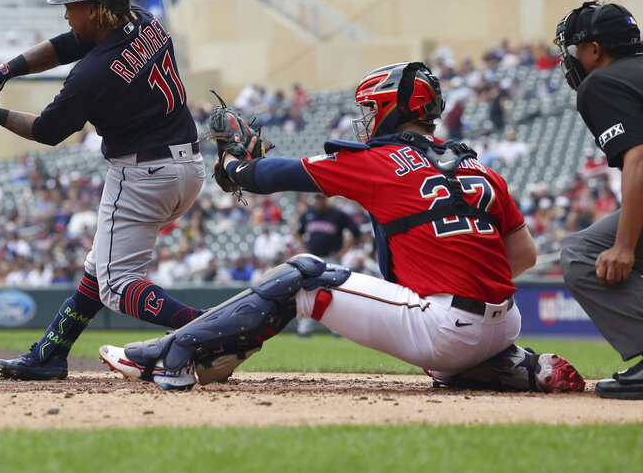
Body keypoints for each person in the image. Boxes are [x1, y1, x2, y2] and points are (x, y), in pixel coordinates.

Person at [99, 62, 584, 393]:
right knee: (448, 349)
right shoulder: (480, 169)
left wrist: (231, 167)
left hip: (444, 327)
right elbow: (523, 256)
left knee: (303, 276)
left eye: (372, 110)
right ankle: (515, 365)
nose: (366, 120)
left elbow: (270, 176)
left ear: (394, 109)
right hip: (503, 322)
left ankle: (173, 355)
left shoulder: (380, 160)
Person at [0, 0, 205, 380]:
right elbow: (71, 42)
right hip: (186, 167)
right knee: (99, 266)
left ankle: (212, 330)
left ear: (94, 9)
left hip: (144, 174)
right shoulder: (144, 21)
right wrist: (6, 70)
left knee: (117, 285)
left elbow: (48, 131)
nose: (66, 13)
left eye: (72, 5)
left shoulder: (92, 75)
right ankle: (49, 354)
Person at [554, 1, 643, 400]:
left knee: (583, 252)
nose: (573, 60)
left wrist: (624, 246)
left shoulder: (602, 82)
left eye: (575, 50)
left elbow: (639, 158)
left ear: (594, 49)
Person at [295, 194, 363, 336]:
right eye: (317, 198)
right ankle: (304, 329)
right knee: (308, 291)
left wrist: (343, 251)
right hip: (313, 258)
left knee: (336, 293)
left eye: (321, 197)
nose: (319, 200)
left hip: (332, 258)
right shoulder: (308, 213)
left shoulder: (337, 214)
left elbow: (356, 232)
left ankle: (337, 330)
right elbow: (297, 233)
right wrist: (303, 249)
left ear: (327, 198)